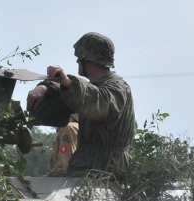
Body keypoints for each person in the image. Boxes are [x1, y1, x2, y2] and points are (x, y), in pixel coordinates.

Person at [26, 32, 135, 179]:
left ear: (86, 60)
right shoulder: (93, 88)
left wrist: (66, 81)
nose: (77, 62)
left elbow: (99, 103)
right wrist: (46, 88)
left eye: (79, 59)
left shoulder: (117, 88)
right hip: (87, 165)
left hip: (108, 170)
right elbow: (75, 96)